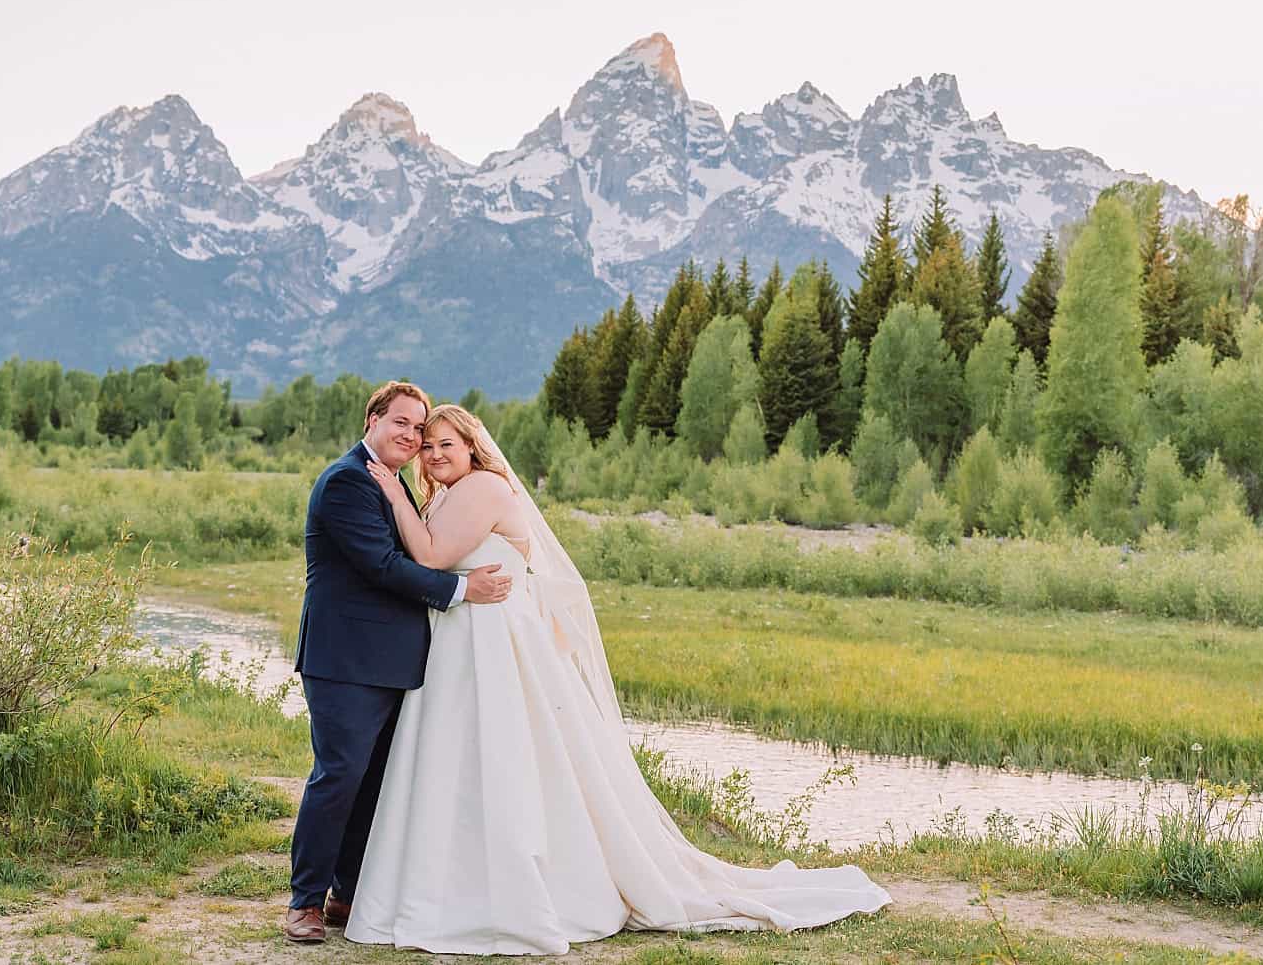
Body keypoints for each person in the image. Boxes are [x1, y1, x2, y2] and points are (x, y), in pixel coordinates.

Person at [345, 404, 890, 955]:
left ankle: (521, 891)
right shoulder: (448, 494)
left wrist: (392, 492)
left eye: (447, 445)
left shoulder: (485, 487)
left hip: (497, 645)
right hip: (462, 643)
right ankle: (448, 887)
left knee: (509, 759)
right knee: (458, 763)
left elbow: (432, 554)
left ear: (471, 447)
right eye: (429, 444)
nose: (435, 454)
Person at [283, 383, 513, 944]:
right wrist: (461, 590)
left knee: (376, 784)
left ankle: (348, 894)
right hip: (345, 661)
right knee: (338, 778)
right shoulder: (346, 482)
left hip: (396, 663)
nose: (412, 437)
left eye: (420, 428)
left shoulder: (395, 484)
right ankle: (304, 903)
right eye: (402, 424)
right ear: (373, 420)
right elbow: (384, 566)